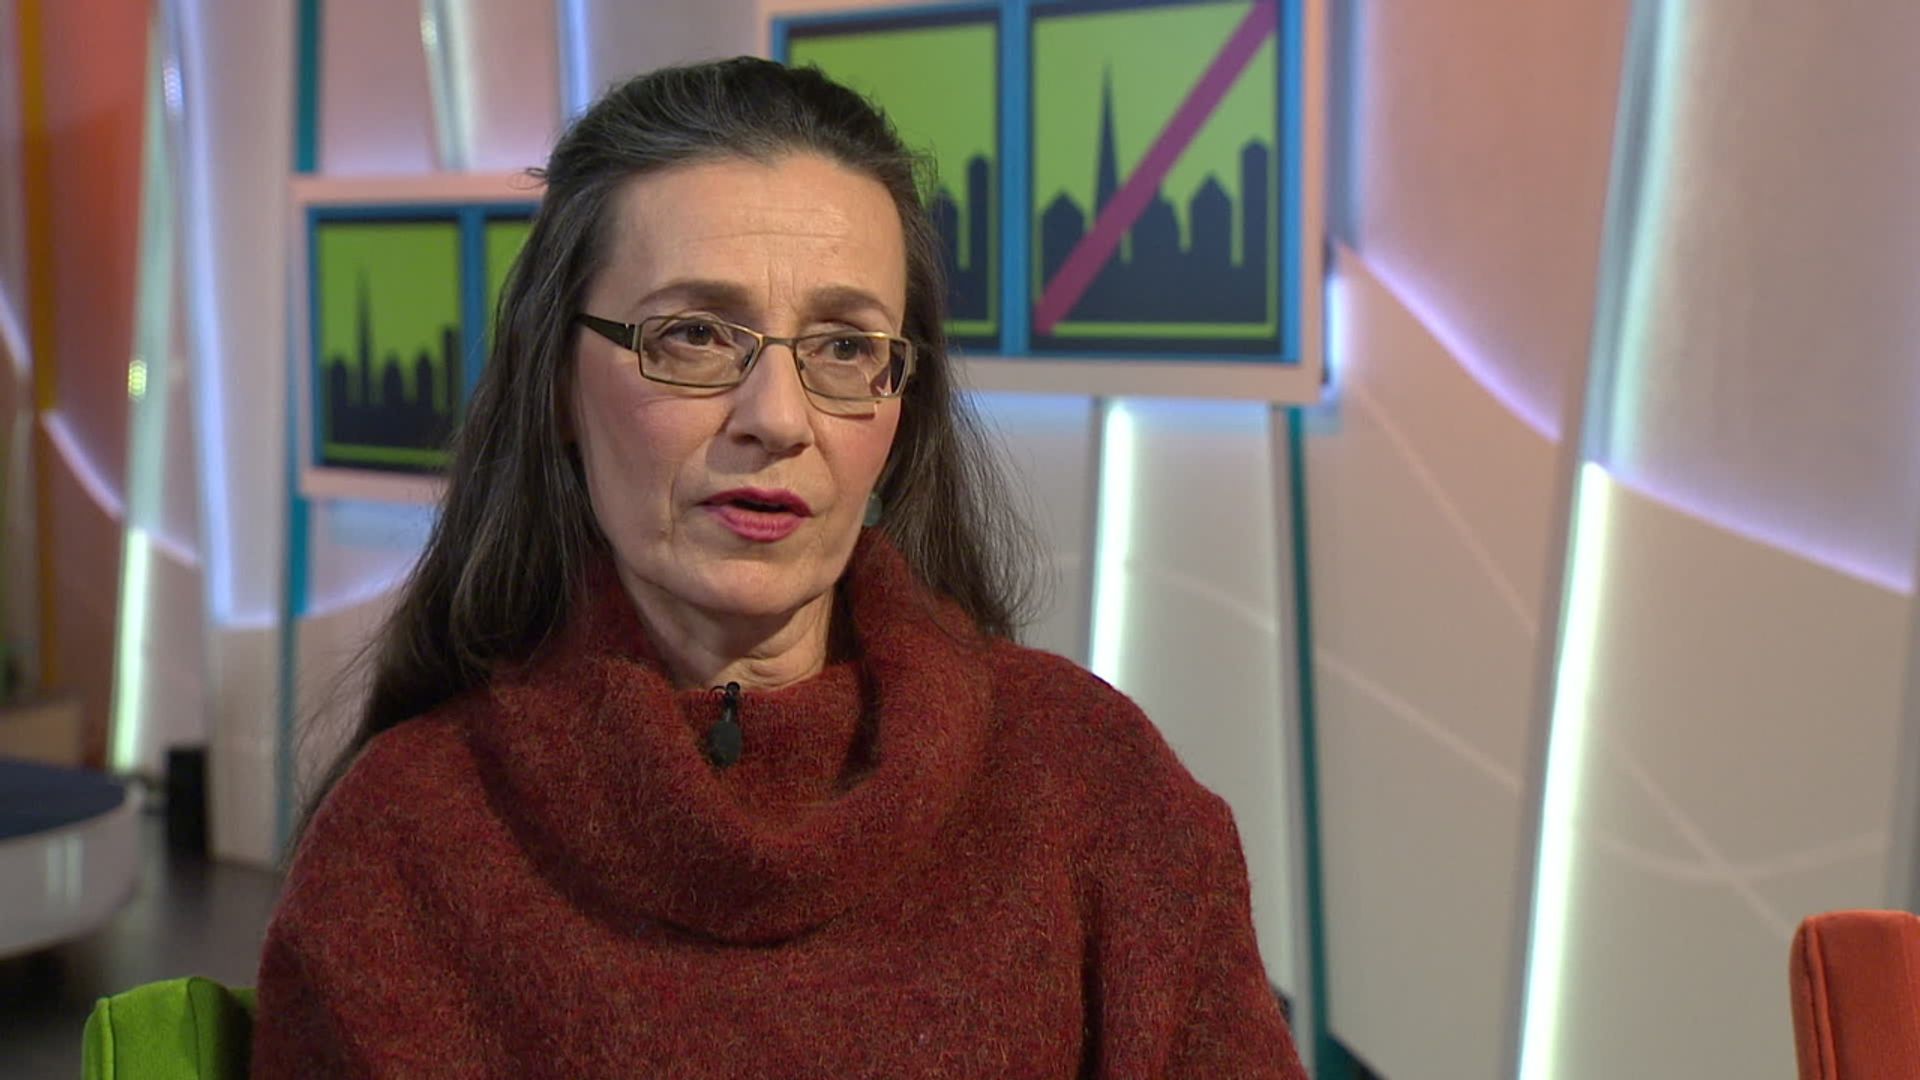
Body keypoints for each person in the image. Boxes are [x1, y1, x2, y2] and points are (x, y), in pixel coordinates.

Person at [251, 57, 1305, 1078]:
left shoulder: (1094, 785)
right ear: (559, 384)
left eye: (844, 347)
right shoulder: (405, 842)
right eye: (695, 336)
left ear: (901, 405)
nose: (778, 419)